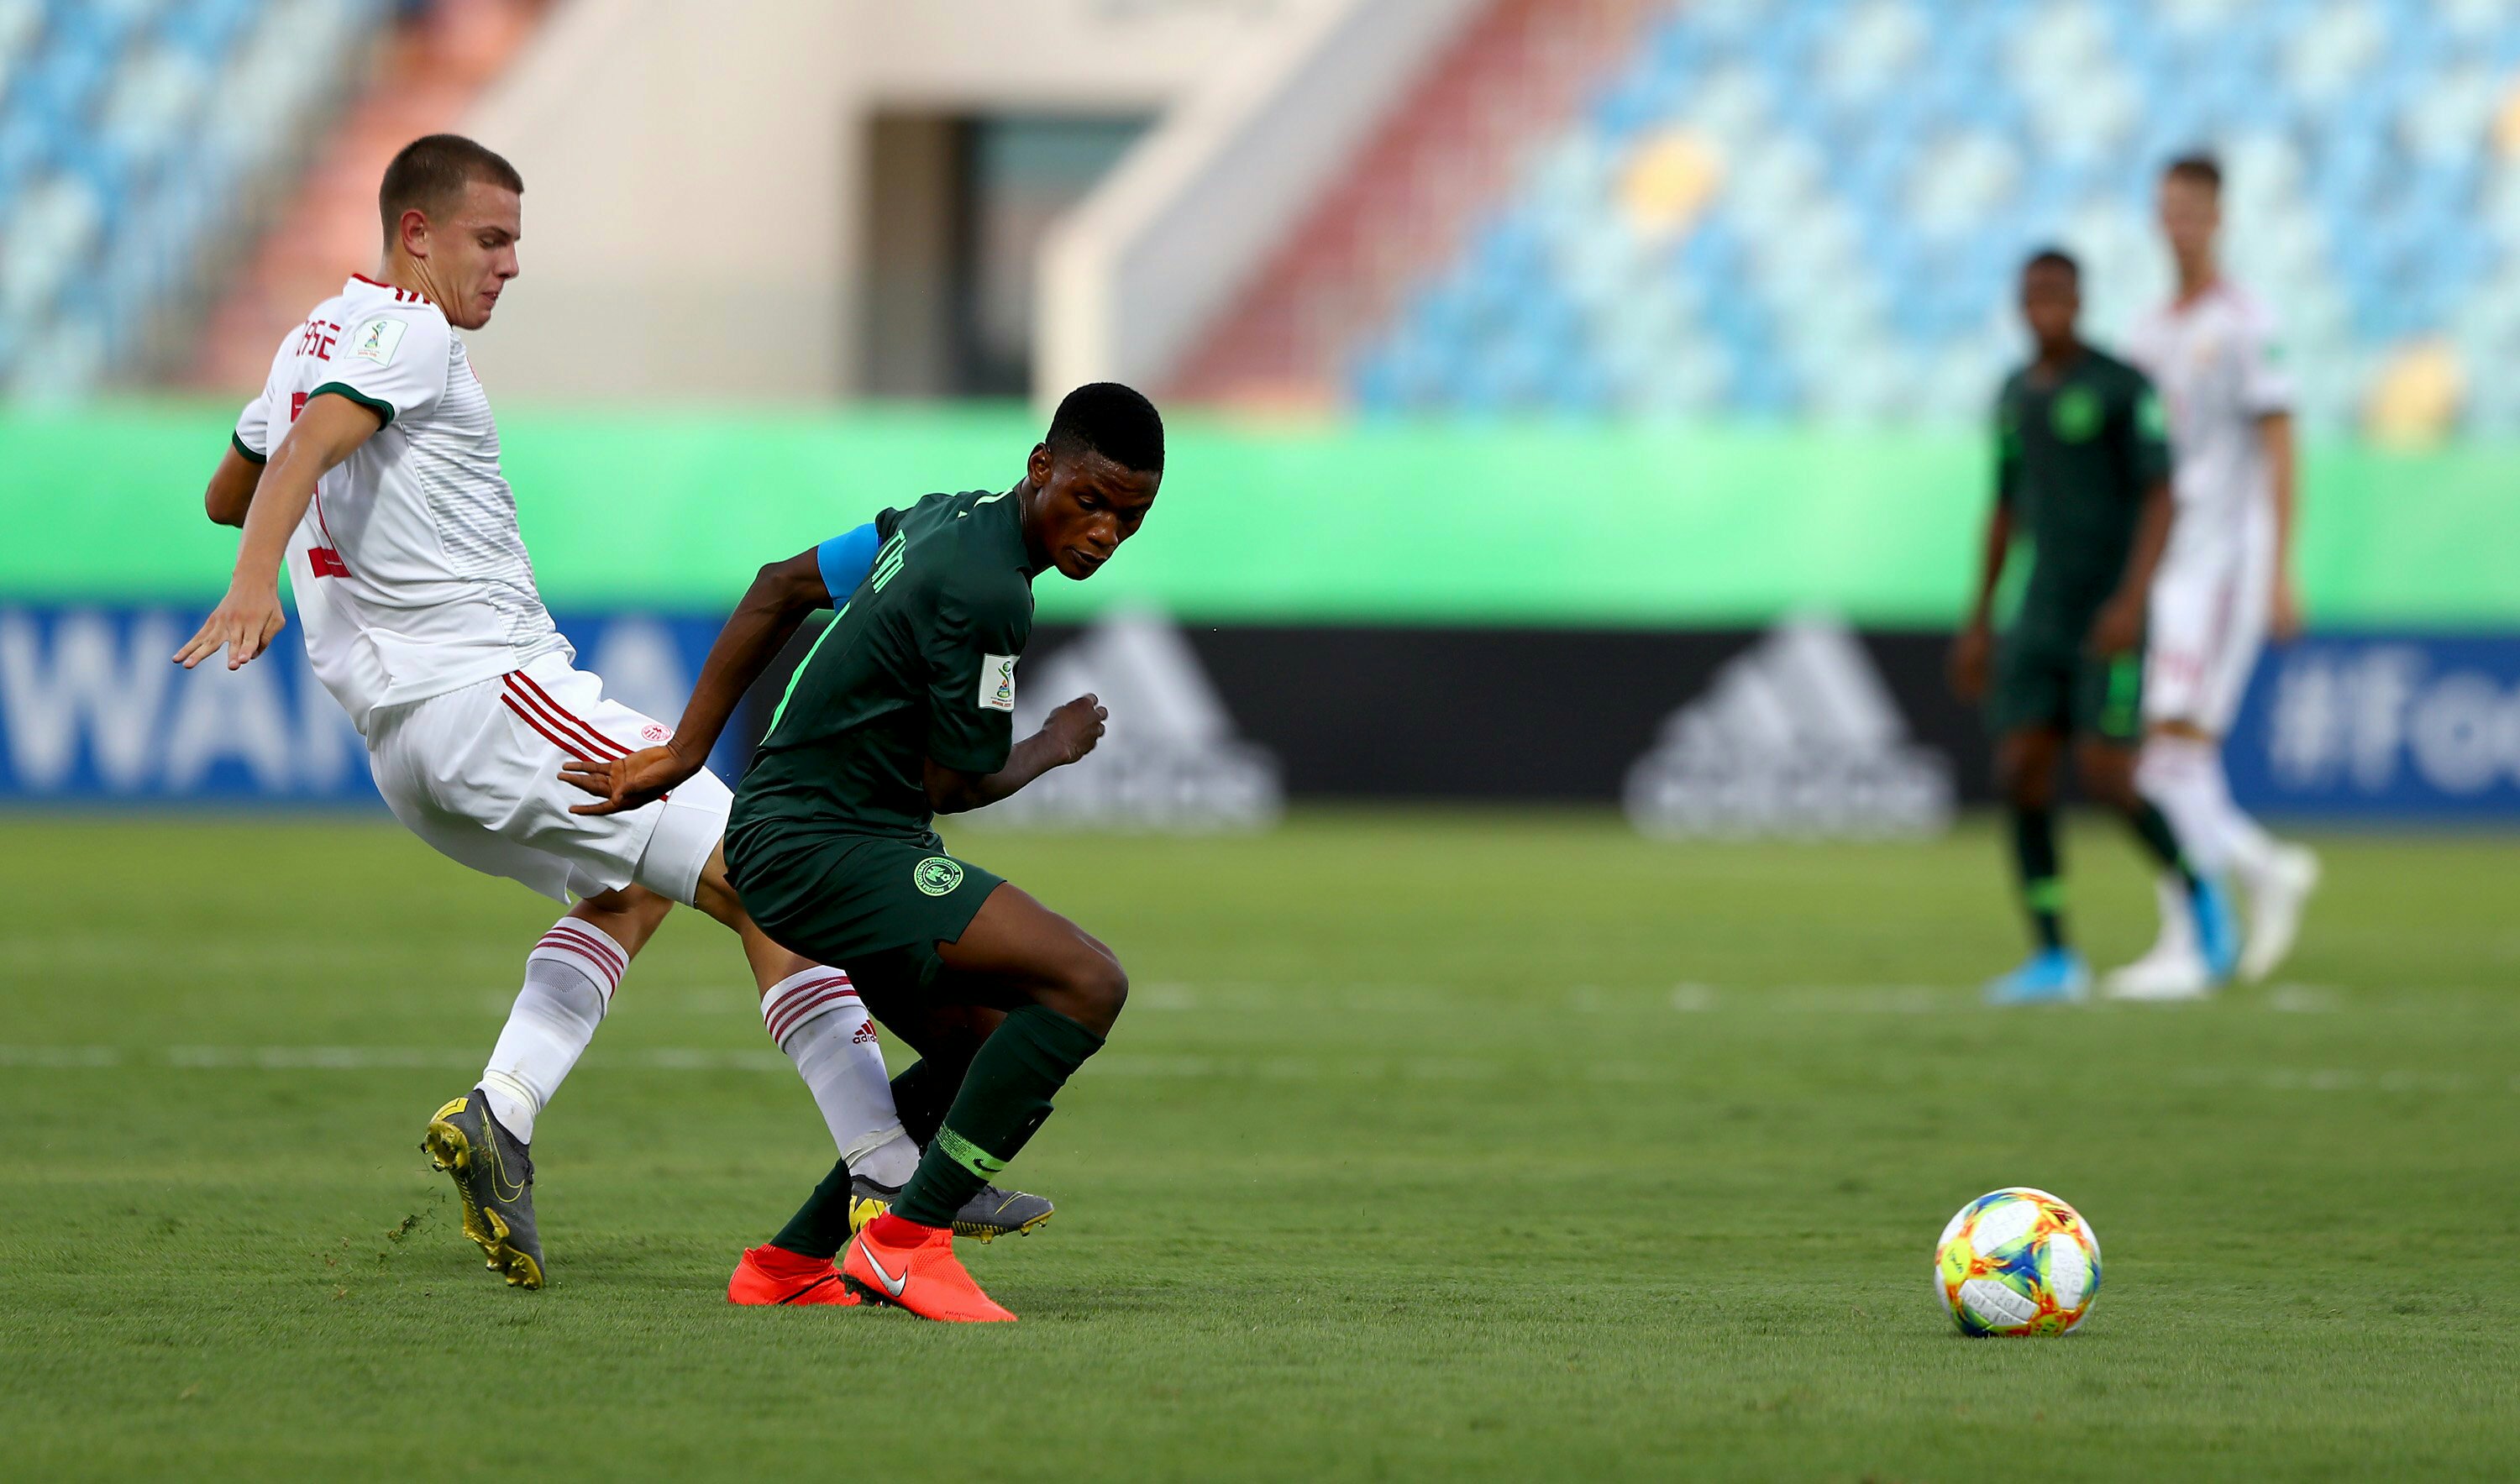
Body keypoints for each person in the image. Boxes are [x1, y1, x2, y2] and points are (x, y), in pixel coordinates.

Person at [172, 134, 1042, 1293]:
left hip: (405, 751)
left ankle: (503, 1109)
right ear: (415, 234)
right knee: (771, 873)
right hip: (493, 696)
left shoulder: (303, 343)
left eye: (516, 242)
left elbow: (231, 485)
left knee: (631, 889)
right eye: (490, 238)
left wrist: (287, 511)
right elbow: (305, 453)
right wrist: (254, 581)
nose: (510, 264)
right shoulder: (408, 331)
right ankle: (885, 1167)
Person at [562, 382, 1163, 1321]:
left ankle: (789, 1262)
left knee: (987, 1049)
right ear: (1042, 466)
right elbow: (954, 782)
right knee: (1089, 983)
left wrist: (687, 752)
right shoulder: (992, 591)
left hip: (804, 833)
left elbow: (780, 585)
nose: (1104, 533)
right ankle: (906, 1243)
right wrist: (1052, 742)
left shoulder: (937, 518)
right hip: (822, 848)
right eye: (1091, 502)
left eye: (1130, 518)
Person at [1950, 249, 2237, 1005]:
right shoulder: (2015, 394)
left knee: (2108, 773)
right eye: (2033, 292)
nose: (2045, 304)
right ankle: (2054, 955)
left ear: (2080, 300)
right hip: (2040, 612)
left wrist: (2132, 600)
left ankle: (2202, 893)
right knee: (2021, 768)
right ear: (2019, 304)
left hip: (2107, 613)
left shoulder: (2120, 387)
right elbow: (2004, 509)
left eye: (2058, 291)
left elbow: (2161, 495)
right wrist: (1979, 620)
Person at [2113, 154, 2322, 999]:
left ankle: (2193, 939)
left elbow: (2280, 444)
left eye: (2195, 209)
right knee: (2162, 761)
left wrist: (2282, 568)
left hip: (2227, 560)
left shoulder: (2245, 323)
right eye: (2170, 209)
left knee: (2169, 759)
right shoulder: (2146, 330)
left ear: (2220, 218)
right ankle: (2261, 871)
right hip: (2168, 564)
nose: (2182, 224)